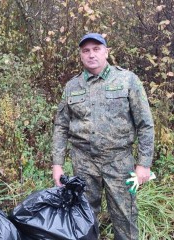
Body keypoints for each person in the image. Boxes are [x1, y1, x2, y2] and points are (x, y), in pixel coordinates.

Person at [52, 33, 154, 240]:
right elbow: (61, 127)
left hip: (119, 161)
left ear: (106, 52)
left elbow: (145, 124)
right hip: (84, 162)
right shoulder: (72, 86)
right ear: (81, 55)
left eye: (96, 49)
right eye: (86, 50)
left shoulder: (127, 80)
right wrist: (57, 165)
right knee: (84, 218)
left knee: (126, 218)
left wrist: (144, 163)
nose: (91, 54)